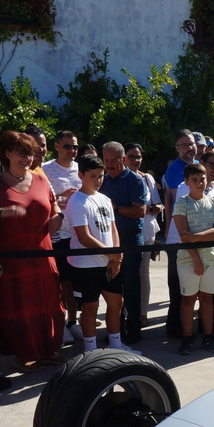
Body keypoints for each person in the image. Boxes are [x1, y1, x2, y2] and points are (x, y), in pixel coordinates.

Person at [0, 130, 63, 369]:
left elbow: (54, 206)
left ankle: (48, 349)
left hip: (43, 255)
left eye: (30, 153)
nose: (27, 158)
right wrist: (3, 212)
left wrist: (58, 216)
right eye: (21, 153)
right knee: (19, 307)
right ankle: (24, 353)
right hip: (12, 259)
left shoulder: (42, 180)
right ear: (7, 154)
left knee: (49, 304)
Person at [65, 154, 126, 354]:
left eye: (101, 176)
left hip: (108, 262)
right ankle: (90, 350)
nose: (98, 180)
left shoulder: (105, 199)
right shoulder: (76, 201)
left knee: (117, 301)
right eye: (93, 176)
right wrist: (112, 255)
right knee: (90, 307)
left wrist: (115, 256)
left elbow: (113, 228)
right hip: (85, 265)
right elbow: (84, 237)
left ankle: (116, 344)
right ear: (81, 175)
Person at [98, 141, 149, 345]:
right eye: (106, 160)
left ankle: (134, 330)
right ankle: (115, 330)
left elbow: (140, 211)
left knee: (131, 287)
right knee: (112, 288)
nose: (109, 165)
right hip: (108, 241)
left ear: (124, 160)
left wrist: (115, 208)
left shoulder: (135, 180)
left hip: (129, 240)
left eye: (114, 160)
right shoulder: (104, 180)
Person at [173, 162, 214, 355]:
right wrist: (195, 258)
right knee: (188, 299)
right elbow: (182, 234)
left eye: (202, 179)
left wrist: (194, 237)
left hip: (212, 258)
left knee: (207, 298)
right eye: (194, 180)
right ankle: (188, 337)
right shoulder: (182, 203)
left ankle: (208, 336)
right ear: (186, 182)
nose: (199, 182)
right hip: (188, 259)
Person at [44, 130, 83, 343]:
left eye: (75, 146)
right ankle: (58, 324)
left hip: (78, 234)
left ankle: (72, 321)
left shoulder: (81, 170)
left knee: (73, 283)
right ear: (56, 146)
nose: (71, 150)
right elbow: (44, 200)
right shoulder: (45, 169)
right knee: (57, 282)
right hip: (56, 235)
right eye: (67, 146)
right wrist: (61, 197)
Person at [161, 128, 198, 338]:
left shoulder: (197, 166)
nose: (189, 148)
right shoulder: (176, 169)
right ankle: (174, 327)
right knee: (177, 284)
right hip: (179, 234)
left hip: (196, 232)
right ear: (177, 148)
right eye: (184, 145)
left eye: (191, 143)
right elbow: (179, 197)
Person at [126, 143, 162, 328]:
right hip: (125, 233)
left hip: (147, 231)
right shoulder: (119, 178)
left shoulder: (147, 178)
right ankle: (126, 313)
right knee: (126, 274)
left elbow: (158, 205)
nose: (136, 160)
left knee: (143, 273)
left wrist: (149, 209)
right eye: (132, 156)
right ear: (124, 157)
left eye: (138, 157)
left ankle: (142, 312)